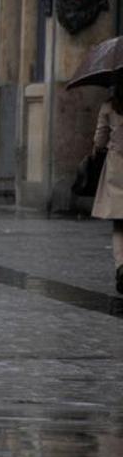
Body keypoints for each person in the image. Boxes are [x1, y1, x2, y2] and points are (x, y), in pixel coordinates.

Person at [90, 70, 123, 294]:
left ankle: (122, 266)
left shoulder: (109, 107)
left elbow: (99, 141)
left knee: (119, 223)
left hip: (117, 168)